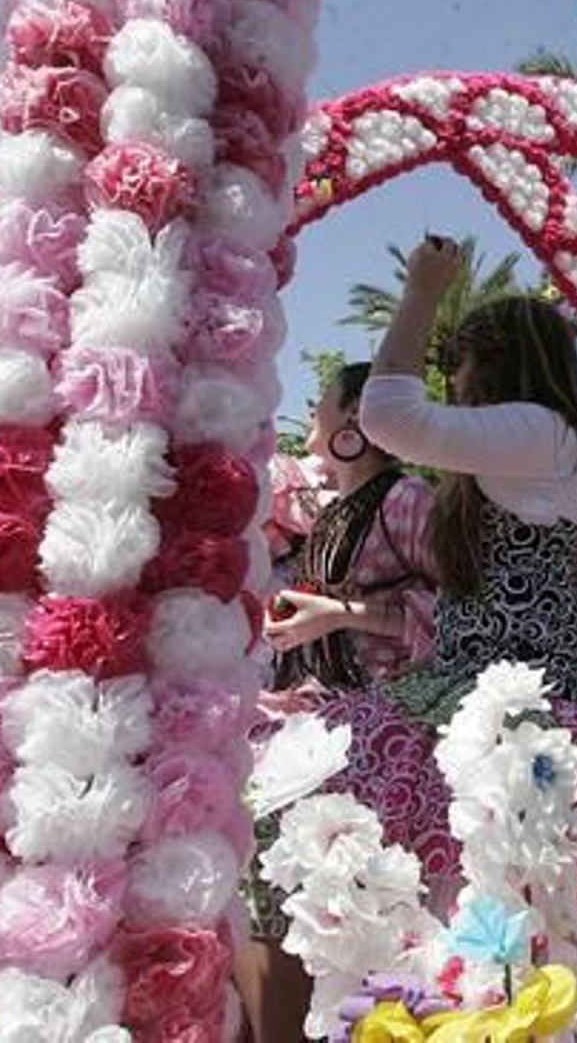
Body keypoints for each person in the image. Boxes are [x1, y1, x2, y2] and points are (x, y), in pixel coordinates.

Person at [357, 235, 577, 829]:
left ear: (492, 364)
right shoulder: (527, 443)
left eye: (454, 362)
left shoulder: (542, 432)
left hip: (521, 720)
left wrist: (422, 293)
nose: (452, 381)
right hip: (483, 703)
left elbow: (386, 413)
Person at [240, 363, 438, 1043]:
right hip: (311, 722)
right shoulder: (328, 511)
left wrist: (342, 614)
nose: (312, 417)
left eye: (322, 405)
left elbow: (457, 611)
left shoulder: (408, 498)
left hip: (381, 740)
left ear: (358, 421)